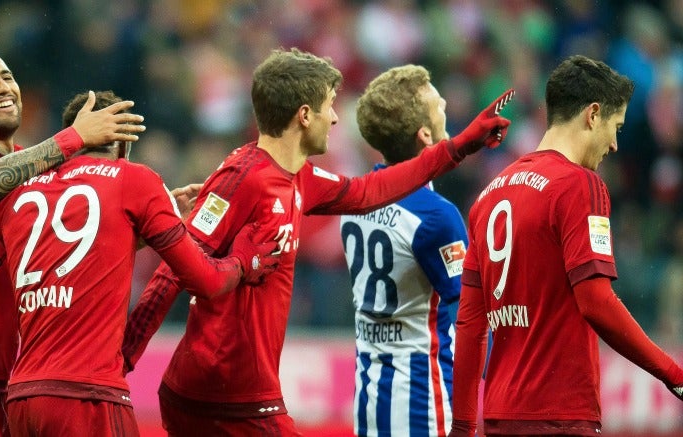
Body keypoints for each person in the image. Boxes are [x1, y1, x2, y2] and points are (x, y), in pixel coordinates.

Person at [121, 47, 513, 435]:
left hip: (233, 391)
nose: (337, 117)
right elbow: (173, 272)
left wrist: (462, 146)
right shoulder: (243, 177)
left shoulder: (301, 178)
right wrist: (125, 356)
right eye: (329, 105)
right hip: (224, 392)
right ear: (305, 116)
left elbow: (369, 191)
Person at [0, 90, 280, 436]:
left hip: (23, 399)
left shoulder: (16, 194)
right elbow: (207, 282)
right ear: (123, 144)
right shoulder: (135, 179)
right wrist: (245, 261)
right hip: (90, 398)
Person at [0, 41, 145, 437]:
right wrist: (73, 138)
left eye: (7, 76)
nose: (4, 87)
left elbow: (62, 244)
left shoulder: (30, 166)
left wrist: (147, 225)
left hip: (8, 380)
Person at [448, 55, 683, 437]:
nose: (614, 145)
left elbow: (471, 324)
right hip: (560, 414)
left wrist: (461, 427)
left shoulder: (487, 197)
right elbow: (597, 302)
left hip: (499, 416)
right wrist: (673, 373)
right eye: (615, 127)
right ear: (592, 115)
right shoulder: (579, 185)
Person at [340, 64, 470, 436]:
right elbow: (469, 311)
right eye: (435, 99)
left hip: (368, 397)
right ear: (426, 135)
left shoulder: (353, 200)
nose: (444, 100)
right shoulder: (435, 216)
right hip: (423, 404)